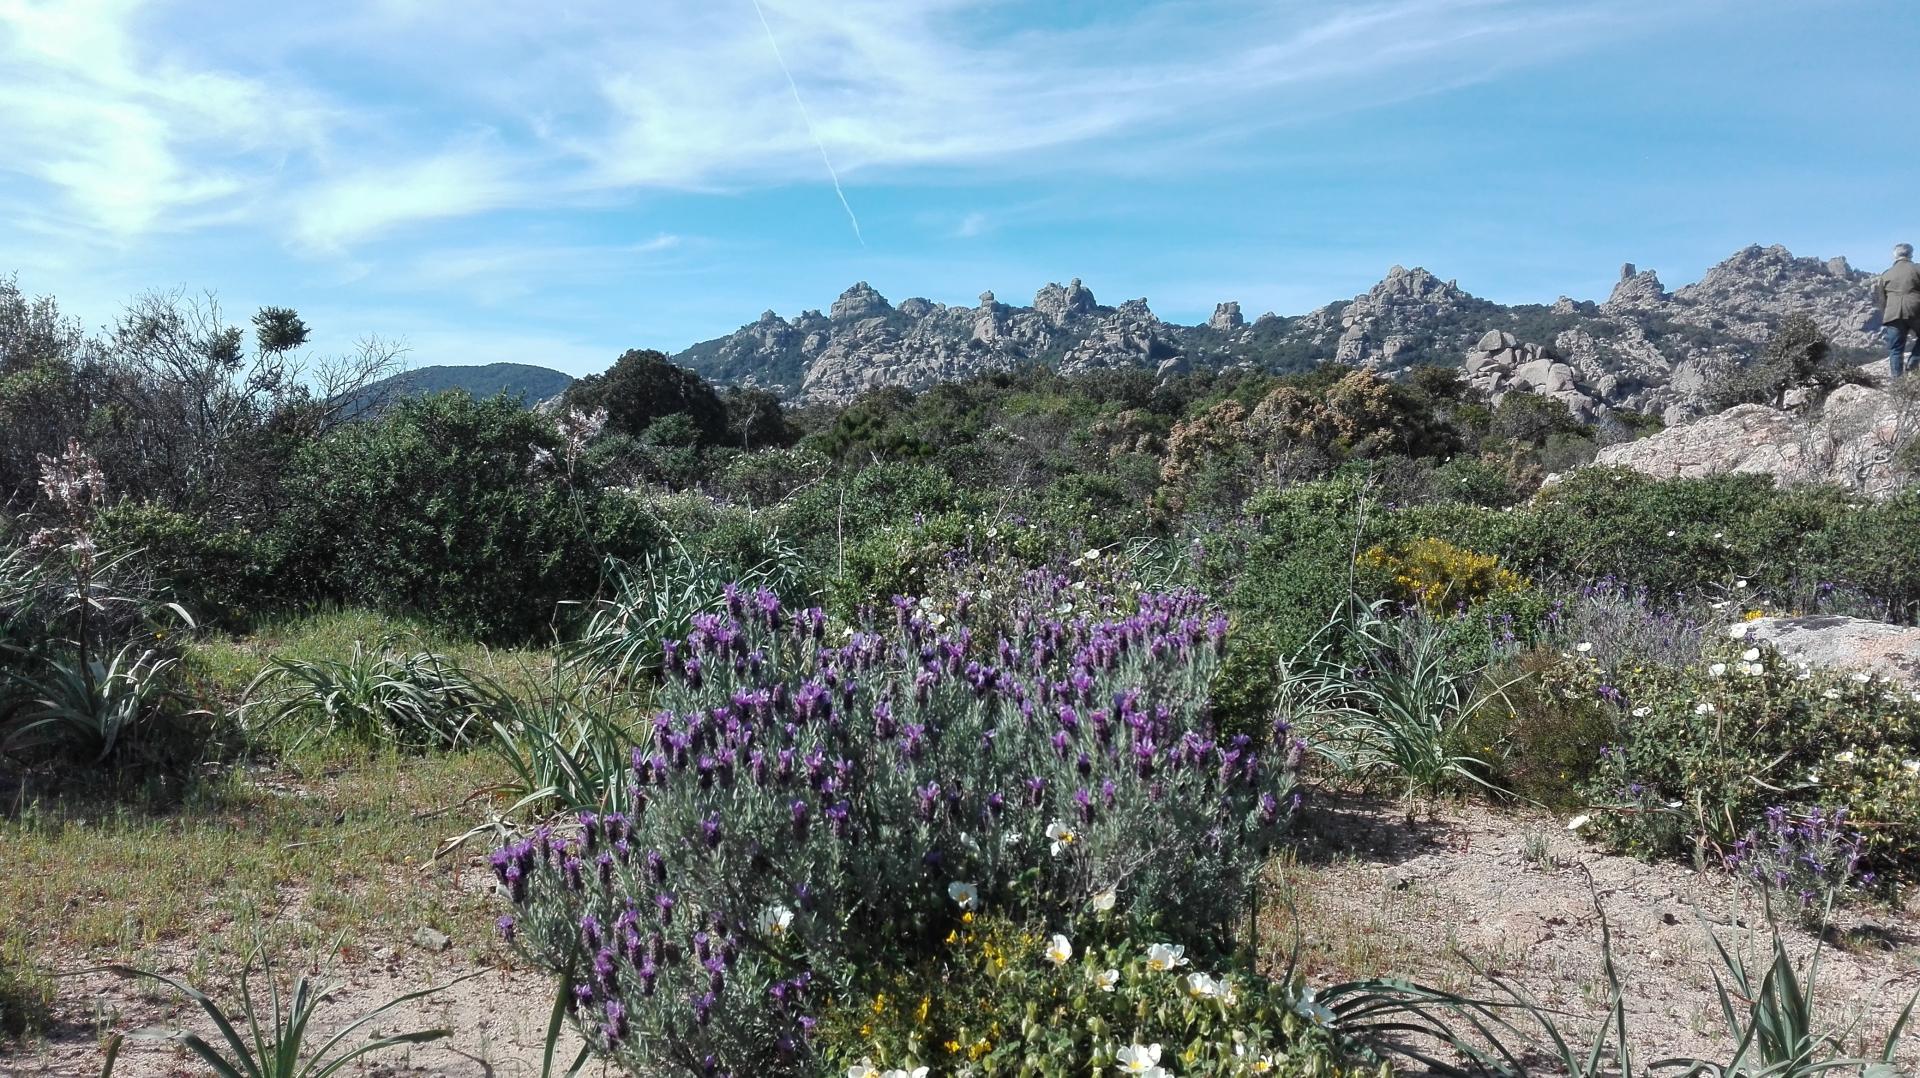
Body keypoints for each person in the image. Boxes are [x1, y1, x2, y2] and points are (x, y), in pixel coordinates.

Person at [1873, 243, 1920, 377]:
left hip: (1892, 314)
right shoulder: (1917, 269)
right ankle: (1913, 361)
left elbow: (1882, 300)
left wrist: (1886, 314)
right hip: (1915, 310)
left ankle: (1897, 385)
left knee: (1895, 350)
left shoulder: (1886, 274)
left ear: (1895, 256)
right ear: (1910, 254)